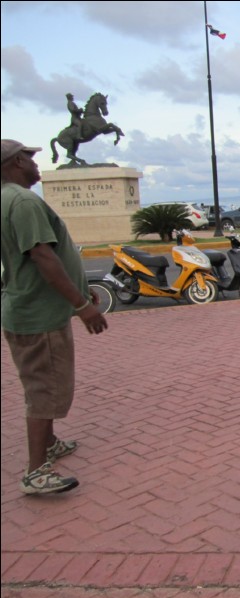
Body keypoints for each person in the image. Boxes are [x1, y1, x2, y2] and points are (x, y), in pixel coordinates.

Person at [1, 139, 109, 495]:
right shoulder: (23, 201)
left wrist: (79, 291)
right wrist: (82, 306)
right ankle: (36, 472)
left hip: (33, 307)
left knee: (44, 383)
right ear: (17, 161)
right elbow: (43, 258)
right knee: (44, 389)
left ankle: (48, 444)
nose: (37, 165)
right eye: (31, 159)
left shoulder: (8, 199)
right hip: (39, 315)